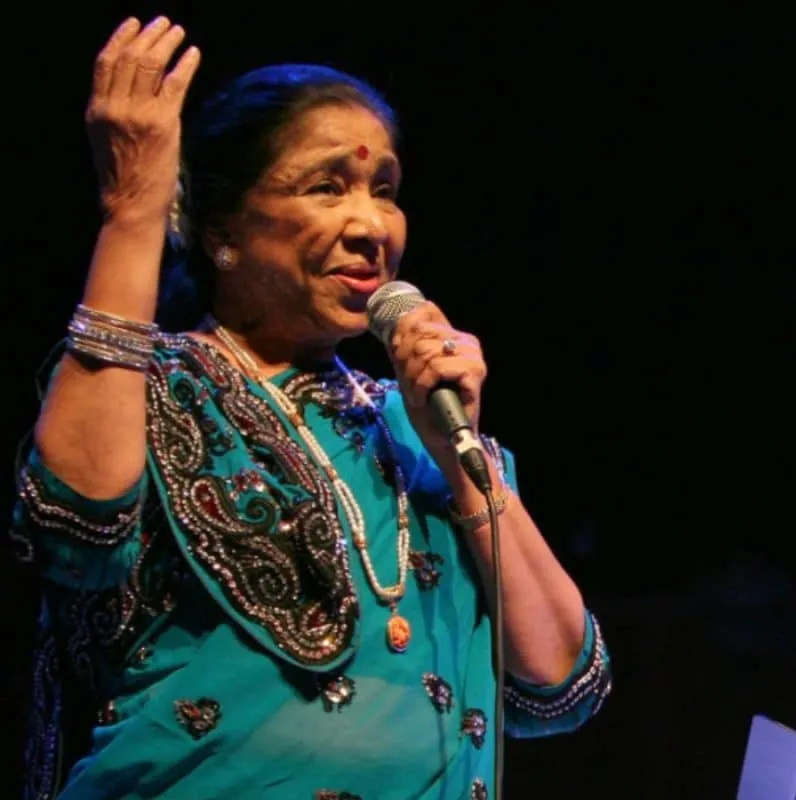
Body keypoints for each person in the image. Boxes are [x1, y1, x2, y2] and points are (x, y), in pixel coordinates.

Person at [11, 15, 611, 800]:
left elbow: (563, 683)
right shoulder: (145, 381)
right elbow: (71, 525)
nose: (370, 226)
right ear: (223, 228)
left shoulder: (422, 426)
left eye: (384, 190)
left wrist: (460, 468)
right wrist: (135, 213)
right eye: (327, 186)